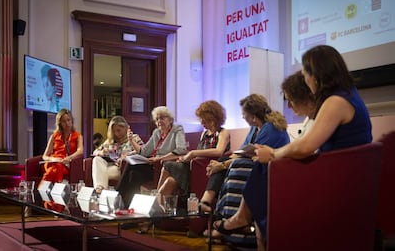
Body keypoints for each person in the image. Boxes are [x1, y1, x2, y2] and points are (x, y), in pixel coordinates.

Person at [213, 45, 373, 249]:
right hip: (340, 173)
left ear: (317, 74)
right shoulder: (348, 95)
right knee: (267, 166)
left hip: (337, 181)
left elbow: (306, 146)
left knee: (268, 165)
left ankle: (243, 219)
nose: (306, 79)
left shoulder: (336, 102)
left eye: (306, 74)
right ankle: (245, 220)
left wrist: (273, 153)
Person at [208, 94, 290, 246]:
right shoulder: (254, 129)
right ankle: (224, 220)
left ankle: (233, 223)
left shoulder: (271, 129)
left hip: (271, 167)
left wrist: (224, 164)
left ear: (252, 116)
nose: (242, 116)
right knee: (226, 163)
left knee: (236, 166)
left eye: (243, 113)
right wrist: (222, 163)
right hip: (253, 163)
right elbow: (241, 151)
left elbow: (253, 155)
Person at [156, 100, 231, 207]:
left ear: (212, 118)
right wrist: (186, 158)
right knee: (169, 181)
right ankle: (157, 209)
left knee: (168, 165)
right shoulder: (204, 133)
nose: (201, 122)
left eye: (203, 119)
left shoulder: (223, 132)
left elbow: (219, 151)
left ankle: (154, 206)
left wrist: (193, 153)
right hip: (194, 166)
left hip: (207, 167)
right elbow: (200, 153)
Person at [116, 106, 188, 207]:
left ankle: (118, 197)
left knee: (133, 172)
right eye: (157, 119)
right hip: (152, 165)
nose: (159, 121)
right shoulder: (156, 132)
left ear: (170, 119)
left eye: (162, 118)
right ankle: (127, 206)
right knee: (133, 172)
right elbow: (144, 152)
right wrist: (131, 140)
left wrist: (159, 158)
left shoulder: (177, 130)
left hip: (163, 166)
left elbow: (181, 150)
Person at [91, 116, 143, 193]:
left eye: (118, 130)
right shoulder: (110, 141)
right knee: (97, 159)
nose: (116, 133)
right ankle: (100, 189)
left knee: (99, 174)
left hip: (122, 168)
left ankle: (100, 191)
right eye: (114, 131)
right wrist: (103, 152)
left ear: (125, 128)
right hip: (110, 166)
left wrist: (127, 155)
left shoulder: (134, 138)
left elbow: (143, 151)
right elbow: (95, 152)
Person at [41, 109, 83, 183]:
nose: (67, 123)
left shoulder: (77, 136)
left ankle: (42, 189)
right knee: (55, 167)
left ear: (72, 121)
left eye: (68, 120)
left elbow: (80, 151)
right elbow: (44, 156)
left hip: (67, 164)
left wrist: (69, 158)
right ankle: (58, 188)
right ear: (60, 123)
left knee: (54, 169)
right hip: (53, 162)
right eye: (64, 121)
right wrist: (53, 159)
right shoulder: (54, 136)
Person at [281, 71, 316, 139]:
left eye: (291, 100)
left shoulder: (317, 122)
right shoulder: (308, 120)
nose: (288, 106)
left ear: (304, 98)